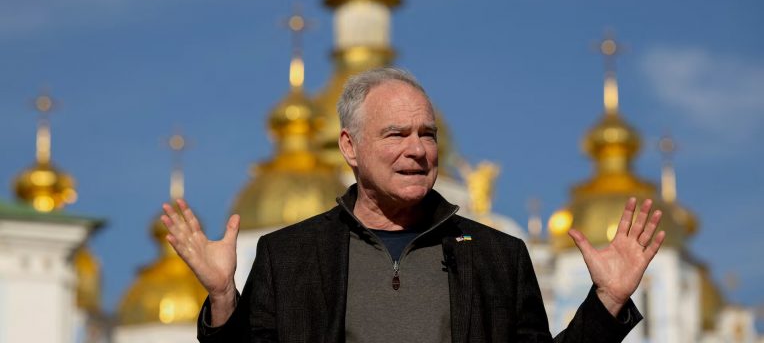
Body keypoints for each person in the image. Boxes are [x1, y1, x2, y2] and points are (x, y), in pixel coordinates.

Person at [161, 67, 666, 342]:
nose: (417, 149)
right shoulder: (290, 256)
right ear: (350, 147)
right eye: (396, 134)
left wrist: (607, 302)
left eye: (427, 134)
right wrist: (224, 298)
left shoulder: (497, 257)